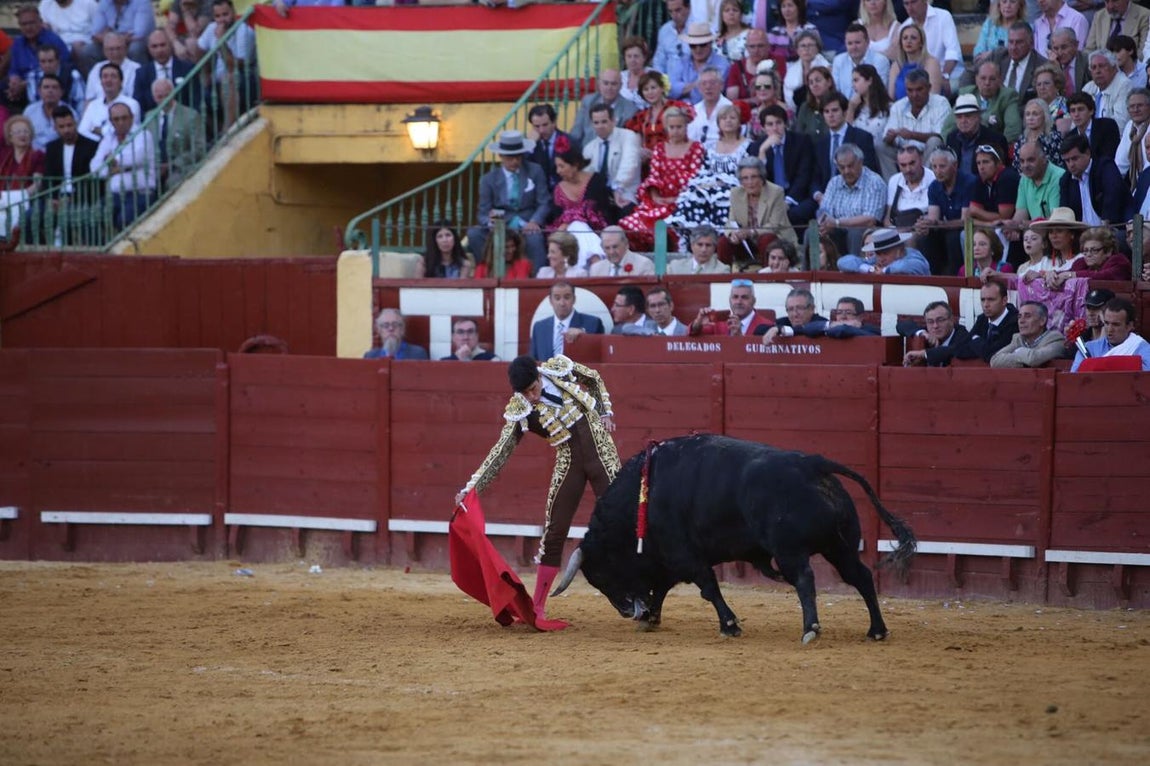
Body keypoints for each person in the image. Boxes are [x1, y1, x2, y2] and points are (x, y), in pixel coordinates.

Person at [454, 354, 621, 622]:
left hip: (601, 451)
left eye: (533, 388)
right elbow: (501, 451)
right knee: (554, 531)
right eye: (525, 392)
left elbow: (593, 378)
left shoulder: (559, 369)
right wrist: (472, 488)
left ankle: (641, 589)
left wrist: (604, 412)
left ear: (539, 375)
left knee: (623, 519)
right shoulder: (521, 408)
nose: (531, 397)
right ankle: (539, 607)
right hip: (569, 461)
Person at [618, 107, 705, 252]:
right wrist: (655, 196)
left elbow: (693, 177)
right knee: (632, 224)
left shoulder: (696, 148)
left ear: (686, 127)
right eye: (672, 127)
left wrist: (676, 199)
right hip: (658, 202)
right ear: (666, 128)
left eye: (679, 127)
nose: (676, 131)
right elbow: (654, 175)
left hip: (685, 203)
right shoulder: (659, 148)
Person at [468, 130, 550, 271]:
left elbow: (544, 202)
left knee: (535, 239)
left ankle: (537, 277)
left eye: (518, 157)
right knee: (474, 234)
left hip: (527, 222)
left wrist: (535, 221)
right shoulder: (489, 179)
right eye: (510, 157)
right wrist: (489, 222)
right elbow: (482, 212)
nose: (514, 161)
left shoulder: (535, 171)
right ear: (501, 156)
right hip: (501, 224)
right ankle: (487, 273)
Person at [669, 103, 747, 239]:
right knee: (693, 195)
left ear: (739, 122)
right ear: (718, 123)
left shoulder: (747, 145)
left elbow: (748, 172)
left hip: (736, 187)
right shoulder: (710, 146)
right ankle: (694, 238)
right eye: (724, 118)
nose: (728, 121)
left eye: (732, 118)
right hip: (710, 185)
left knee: (723, 198)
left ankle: (721, 239)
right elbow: (704, 170)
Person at [35, 105, 100, 245]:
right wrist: (52, 198)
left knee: (76, 216)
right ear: (55, 128)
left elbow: (92, 181)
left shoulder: (92, 146)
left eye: (69, 125)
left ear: (75, 123)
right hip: (56, 197)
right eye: (62, 127)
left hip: (81, 197)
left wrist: (71, 199)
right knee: (31, 217)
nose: (67, 130)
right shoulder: (52, 148)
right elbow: (48, 177)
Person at [89, 100, 155, 228]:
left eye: (124, 118)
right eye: (116, 119)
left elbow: (137, 157)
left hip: (140, 193)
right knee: (94, 217)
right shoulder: (108, 138)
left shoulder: (143, 134)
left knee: (125, 218)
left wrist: (114, 162)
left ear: (132, 118)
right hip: (115, 194)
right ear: (111, 121)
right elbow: (94, 167)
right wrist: (113, 170)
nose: (121, 122)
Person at [722, 155, 796, 268]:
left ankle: (768, 278)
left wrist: (751, 232)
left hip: (775, 241)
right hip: (747, 244)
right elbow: (731, 221)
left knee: (767, 238)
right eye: (745, 178)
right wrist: (733, 234)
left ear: (762, 178)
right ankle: (722, 278)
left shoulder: (776, 192)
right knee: (724, 242)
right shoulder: (735, 193)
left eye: (754, 177)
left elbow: (775, 225)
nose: (750, 182)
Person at [750, 104, 818, 227]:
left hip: (797, 197)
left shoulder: (801, 141)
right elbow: (756, 181)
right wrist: (762, 152)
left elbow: (804, 176)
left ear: (785, 124)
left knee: (792, 214)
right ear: (764, 128)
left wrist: (788, 201)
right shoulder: (757, 147)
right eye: (770, 124)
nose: (775, 128)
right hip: (770, 198)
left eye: (778, 123)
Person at [817, 143, 887, 256]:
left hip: (863, 231)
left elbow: (870, 219)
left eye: (850, 166)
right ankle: (811, 273)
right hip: (837, 229)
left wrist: (837, 222)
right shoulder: (834, 182)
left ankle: (854, 270)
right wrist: (824, 222)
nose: (846, 171)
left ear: (860, 162)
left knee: (856, 232)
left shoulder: (874, 182)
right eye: (842, 167)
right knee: (812, 233)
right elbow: (825, 210)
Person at [918, 146, 977, 274]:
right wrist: (925, 224)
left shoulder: (969, 183)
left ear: (955, 165)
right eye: (934, 167)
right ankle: (930, 277)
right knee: (925, 237)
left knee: (953, 238)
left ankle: (955, 278)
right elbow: (934, 219)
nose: (938, 171)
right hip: (947, 227)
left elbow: (965, 221)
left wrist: (938, 224)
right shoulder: (934, 186)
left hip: (968, 229)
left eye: (942, 166)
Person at [582, 103, 641, 220]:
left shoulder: (628, 136)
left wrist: (617, 188)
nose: (600, 126)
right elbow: (587, 178)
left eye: (604, 121)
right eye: (596, 123)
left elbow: (629, 165)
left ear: (613, 120)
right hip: (601, 197)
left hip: (625, 192)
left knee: (624, 213)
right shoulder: (589, 148)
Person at [1058, 134, 1128, 228]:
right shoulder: (1066, 181)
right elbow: (1065, 214)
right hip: (1082, 237)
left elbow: (1113, 196)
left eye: (1074, 159)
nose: (1071, 165)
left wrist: (1103, 229)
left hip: (1112, 231)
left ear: (1087, 153)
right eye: (1067, 161)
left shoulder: (1105, 167)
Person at [882, 68, 951, 165]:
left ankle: (928, 178)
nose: (914, 95)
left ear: (929, 87)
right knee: (881, 146)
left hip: (928, 154)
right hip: (903, 155)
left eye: (919, 89)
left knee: (934, 141)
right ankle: (893, 180)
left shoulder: (941, 103)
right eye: (910, 90)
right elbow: (886, 138)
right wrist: (890, 137)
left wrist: (912, 135)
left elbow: (941, 137)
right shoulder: (898, 106)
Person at [146, 77, 203, 190]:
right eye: (159, 97)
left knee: (173, 182)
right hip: (154, 168)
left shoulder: (191, 115)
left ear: (173, 93)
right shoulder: (149, 117)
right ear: (154, 98)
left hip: (180, 167)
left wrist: (172, 164)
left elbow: (200, 148)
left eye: (167, 95)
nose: (164, 100)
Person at [947, 61, 1022, 145]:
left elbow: (1013, 129)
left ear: (1000, 80)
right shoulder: (966, 94)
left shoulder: (1008, 96)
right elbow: (948, 127)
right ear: (976, 79)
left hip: (994, 148)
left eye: (992, 79)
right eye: (983, 78)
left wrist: (998, 148)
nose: (987, 83)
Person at [624, 71, 695, 158]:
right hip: (649, 164)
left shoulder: (678, 107)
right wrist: (639, 149)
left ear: (662, 88)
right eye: (646, 89)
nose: (650, 92)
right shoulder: (642, 115)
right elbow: (626, 134)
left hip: (674, 160)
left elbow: (692, 124)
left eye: (653, 88)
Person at [814, 93, 881, 185]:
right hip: (824, 195)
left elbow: (869, 173)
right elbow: (815, 176)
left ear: (845, 112)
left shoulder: (863, 138)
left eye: (835, 110)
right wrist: (817, 194)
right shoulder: (820, 143)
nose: (831, 115)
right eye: (826, 111)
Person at [530, 280, 604, 360]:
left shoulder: (593, 323)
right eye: (557, 298)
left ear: (574, 299)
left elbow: (598, 356)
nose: (562, 303)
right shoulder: (539, 327)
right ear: (550, 301)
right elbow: (534, 360)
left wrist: (583, 334)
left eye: (567, 297)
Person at [1070, 297, 1150, 371]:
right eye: (1107, 323)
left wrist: (1095, 365)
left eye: (1116, 324)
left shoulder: (1142, 348)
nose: (1109, 329)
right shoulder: (1089, 348)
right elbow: (1074, 377)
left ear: (1129, 326)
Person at [898, 0, 962, 92]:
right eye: (906, 4)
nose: (910, 8)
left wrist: (944, 75)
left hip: (949, 75)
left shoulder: (943, 16)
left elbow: (953, 51)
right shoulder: (904, 27)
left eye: (913, 2)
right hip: (917, 79)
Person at [550, 146, 612, 239]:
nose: (558, 171)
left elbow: (604, 212)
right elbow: (558, 221)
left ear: (575, 165)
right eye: (557, 167)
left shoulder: (596, 181)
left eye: (561, 166)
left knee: (578, 226)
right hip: (568, 237)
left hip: (596, 231)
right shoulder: (558, 189)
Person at [943, 94, 1010, 177]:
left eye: (968, 116)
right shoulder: (951, 138)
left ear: (978, 116)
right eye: (959, 117)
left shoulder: (995, 139)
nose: (963, 121)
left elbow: (1002, 172)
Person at [567, 69, 637, 147]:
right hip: (585, 153)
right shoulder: (588, 101)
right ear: (599, 85)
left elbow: (626, 141)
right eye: (605, 83)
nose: (609, 88)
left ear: (620, 86)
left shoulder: (629, 109)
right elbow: (576, 133)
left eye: (613, 84)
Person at [133, 29, 197, 115]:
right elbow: (138, 104)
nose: (159, 50)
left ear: (170, 45)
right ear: (148, 49)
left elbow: (196, 100)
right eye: (154, 46)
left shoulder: (187, 68)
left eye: (162, 45)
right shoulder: (142, 73)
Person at [0, 115, 46, 235]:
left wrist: (19, 196)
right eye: (18, 132)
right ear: (10, 137)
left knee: (27, 216)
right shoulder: (4, 157)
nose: (23, 134)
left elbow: (38, 184)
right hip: (3, 199)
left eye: (26, 131)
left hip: (29, 200)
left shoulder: (37, 155)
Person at [989, 302, 1068, 368]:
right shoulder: (1018, 339)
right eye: (1019, 317)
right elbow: (995, 361)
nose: (1021, 321)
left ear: (1042, 320)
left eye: (1027, 316)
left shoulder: (1056, 339)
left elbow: (1034, 359)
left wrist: (1018, 352)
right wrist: (1024, 361)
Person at [848, 63, 894, 177]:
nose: (853, 85)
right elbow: (847, 133)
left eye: (856, 80)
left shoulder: (889, 108)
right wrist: (851, 108)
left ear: (869, 80)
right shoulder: (854, 107)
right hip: (858, 157)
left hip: (880, 156)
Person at [77, 61, 141, 141]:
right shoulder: (93, 105)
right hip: (93, 148)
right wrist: (100, 137)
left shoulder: (132, 104)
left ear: (121, 82)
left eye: (113, 76)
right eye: (105, 77)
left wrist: (98, 130)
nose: (108, 80)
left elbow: (126, 131)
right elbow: (82, 131)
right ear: (101, 82)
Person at [1010, 140, 1065, 229]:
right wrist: (1011, 227)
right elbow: (1021, 213)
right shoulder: (1024, 179)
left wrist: (1030, 225)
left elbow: (1056, 219)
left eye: (1030, 160)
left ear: (1044, 159)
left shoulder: (1059, 177)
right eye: (1022, 161)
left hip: (1055, 233)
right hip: (1035, 235)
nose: (1025, 165)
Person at [689, 278, 774, 336]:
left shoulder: (767, 326)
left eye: (744, 297)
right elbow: (693, 334)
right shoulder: (719, 323)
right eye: (735, 297)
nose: (739, 302)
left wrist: (740, 338)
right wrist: (698, 323)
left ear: (754, 301)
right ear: (730, 300)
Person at [670, 23, 731, 104]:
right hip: (682, 110)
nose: (698, 50)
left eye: (702, 45)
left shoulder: (722, 63)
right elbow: (671, 90)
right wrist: (696, 85)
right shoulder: (681, 61)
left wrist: (683, 89)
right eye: (693, 46)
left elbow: (706, 93)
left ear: (710, 43)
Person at [83, 0, 155, 68]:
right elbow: (95, 32)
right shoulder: (105, 2)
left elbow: (140, 33)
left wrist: (111, 36)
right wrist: (113, 40)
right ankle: (98, 79)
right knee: (89, 51)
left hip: (133, 42)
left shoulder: (141, 2)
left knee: (135, 48)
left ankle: (141, 78)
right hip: (111, 41)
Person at [899, 300, 971, 366]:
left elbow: (952, 350)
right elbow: (901, 326)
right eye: (930, 321)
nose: (935, 326)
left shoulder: (962, 336)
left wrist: (924, 354)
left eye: (940, 320)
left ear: (951, 320)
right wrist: (922, 333)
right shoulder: (927, 333)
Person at [993, 21, 1048, 108]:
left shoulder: (1042, 65)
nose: (1013, 47)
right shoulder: (999, 55)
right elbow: (971, 72)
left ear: (1031, 43)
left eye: (1019, 42)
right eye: (1011, 42)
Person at [963, 281, 1021, 362]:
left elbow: (992, 354)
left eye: (991, 299)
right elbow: (960, 349)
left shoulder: (1016, 323)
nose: (986, 305)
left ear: (1004, 301)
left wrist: (975, 339)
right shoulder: (982, 319)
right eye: (983, 300)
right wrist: (983, 347)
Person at [837, 227, 932, 275]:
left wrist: (885, 270)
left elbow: (913, 265)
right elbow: (843, 262)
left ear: (899, 251)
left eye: (885, 253)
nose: (881, 259)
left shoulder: (913, 256)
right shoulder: (875, 260)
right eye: (878, 253)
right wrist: (870, 269)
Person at [968, 144, 1020, 230]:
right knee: (965, 233)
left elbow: (1004, 217)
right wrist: (988, 224)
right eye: (978, 163)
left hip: (1011, 229)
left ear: (999, 163)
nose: (981, 167)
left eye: (986, 162)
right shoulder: (980, 179)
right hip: (990, 227)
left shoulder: (1007, 178)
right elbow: (969, 218)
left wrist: (977, 212)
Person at [885, 144, 935, 231]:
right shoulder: (894, 180)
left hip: (924, 230)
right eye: (903, 165)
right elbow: (888, 219)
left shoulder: (933, 179)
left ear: (921, 159)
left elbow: (936, 218)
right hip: (898, 230)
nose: (908, 169)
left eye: (912, 163)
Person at [888, 22, 943, 100]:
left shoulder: (931, 63)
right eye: (905, 38)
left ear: (921, 43)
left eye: (913, 38)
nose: (908, 41)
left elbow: (933, 95)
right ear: (901, 43)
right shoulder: (896, 65)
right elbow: (891, 97)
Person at [833, 23, 891, 98]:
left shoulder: (880, 61)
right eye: (850, 43)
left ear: (867, 42)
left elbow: (879, 91)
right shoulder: (838, 61)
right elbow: (836, 91)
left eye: (857, 42)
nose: (854, 47)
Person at [684, 67, 735, 150]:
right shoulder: (693, 110)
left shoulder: (730, 108)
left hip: (722, 155)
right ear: (699, 88)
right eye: (704, 83)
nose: (708, 87)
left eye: (712, 83)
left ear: (721, 86)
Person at [83, 32, 139, 106]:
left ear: (125, 49)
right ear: (104, 51)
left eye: (118, 48)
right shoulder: (97, 69)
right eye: (111, 49)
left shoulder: (136, 69)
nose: (115, 52)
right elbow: (89, 99)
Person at [1082, 50, 1132, 132]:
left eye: (1101, 66)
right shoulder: (1088, 88)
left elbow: (1120, 124)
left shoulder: (1124, 85)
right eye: (1093, 67)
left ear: (1114, 68)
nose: (1097, 71)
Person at [1084, 0, 1150, 63]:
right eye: (1107, 1)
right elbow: (1089, 50)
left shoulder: (1145, 16)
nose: (1110, 6)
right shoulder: (1099, 16)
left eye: (1115, 1)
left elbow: (1143, 54)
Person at [22, 74, 74, 151]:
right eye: (46, 87)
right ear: (39, 91)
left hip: (59, 155)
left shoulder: (69, 112)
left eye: (54, 87)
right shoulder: (29, 111)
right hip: (33, 155)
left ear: (61, 92)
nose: (50, 91)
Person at [1013, 98, 1065, 174]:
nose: (1030, 118)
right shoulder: (1021, 140)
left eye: (1035, 114)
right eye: (1028, 114)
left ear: (1045, 116)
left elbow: (1059, 166)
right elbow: (1016, 167)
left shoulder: (1054, 138)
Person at [758, 288, 829, 344]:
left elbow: (808, 330)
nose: (795, 314)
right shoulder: (784, 322)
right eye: (790, 309)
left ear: (812, 309)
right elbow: (759, 329)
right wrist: (775, 329)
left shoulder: (822, 323)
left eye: (800, 308)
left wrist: (782, 330)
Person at [1063, 92, 1120, 161]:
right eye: (1072, 111)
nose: (1076, 114)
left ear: (1091, 111)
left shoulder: (1107, 126)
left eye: (1080, 109)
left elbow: (1108, 158)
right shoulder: (1069, 137)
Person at [783, 30, 831, 113]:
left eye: (810, 45)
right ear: (797, 50)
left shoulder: (827, 68)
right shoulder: (791, 71)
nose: (806, 49)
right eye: (803, 46)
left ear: (817, 48)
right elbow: (789, 99)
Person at [1066, 226, 1133, 281]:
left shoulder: (1119, 261)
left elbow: (1102, 276)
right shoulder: (1081, 263)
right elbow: (1066, 273)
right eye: (1085, 250)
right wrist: (1056, 275)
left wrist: (1070, 275)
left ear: (1108, 251)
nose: (1088, 254)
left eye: (1094, 250)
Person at [767, 0, 819, 70]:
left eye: (790, 5)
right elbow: (769, 56)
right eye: (783, 6)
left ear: (798, 8)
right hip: (780, 72)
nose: (787, 10)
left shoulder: (810, 29)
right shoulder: (774, 32)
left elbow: (816, 55)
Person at [588, 227, 656, 277]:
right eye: (607, 248)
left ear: (626, 244)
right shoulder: (596, 269)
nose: (611, 252)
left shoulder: (644, 265)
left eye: (615, 247)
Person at [364, 308, 429, 360]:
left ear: (402, 329)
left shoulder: (417, 354)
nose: (391, 329)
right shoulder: (370, 356)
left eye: (395, 324)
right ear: (379, 330)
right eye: (386, 325)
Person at [725, 29, 771, 101]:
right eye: (752, 46)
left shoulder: (778, 62)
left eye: (760, 46)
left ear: (768, 46)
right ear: (746, 47)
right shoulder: (736, 67)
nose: (756, 50)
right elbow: (731, 101)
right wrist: (752, 101)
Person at [1115, 88, 1150, 183]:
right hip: (1138, 184)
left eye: (1140, 105)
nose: (1136, 110)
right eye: (1132, 106)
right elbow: (1120, 164)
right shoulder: (1130, 126)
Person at [652, 0, 691, 80]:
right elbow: (659, 62)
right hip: (669, 86)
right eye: (670, 11)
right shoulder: (665, 30)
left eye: (678, 10)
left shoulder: (698, 28)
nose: (674, 15)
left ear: (688, 8)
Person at [1047, 29, 1090, 98]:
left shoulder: (1088, 61)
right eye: (1056, 48)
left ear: (1076, 45)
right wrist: (1057, 71)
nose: (1060, 53)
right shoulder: (1050, 66)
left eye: (1064, 47)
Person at [620, 35, 654, 111]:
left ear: (644, 57)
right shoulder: (620, 77)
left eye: (636, 56)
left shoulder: (653, 75)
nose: (632, 60)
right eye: (629, 56)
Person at [1034, 64, 1071, 133]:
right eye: (1039, 84)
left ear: (1057, 86)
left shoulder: (1065, 107)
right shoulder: (1034, 107)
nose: (1042, 88)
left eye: (1046, 83)